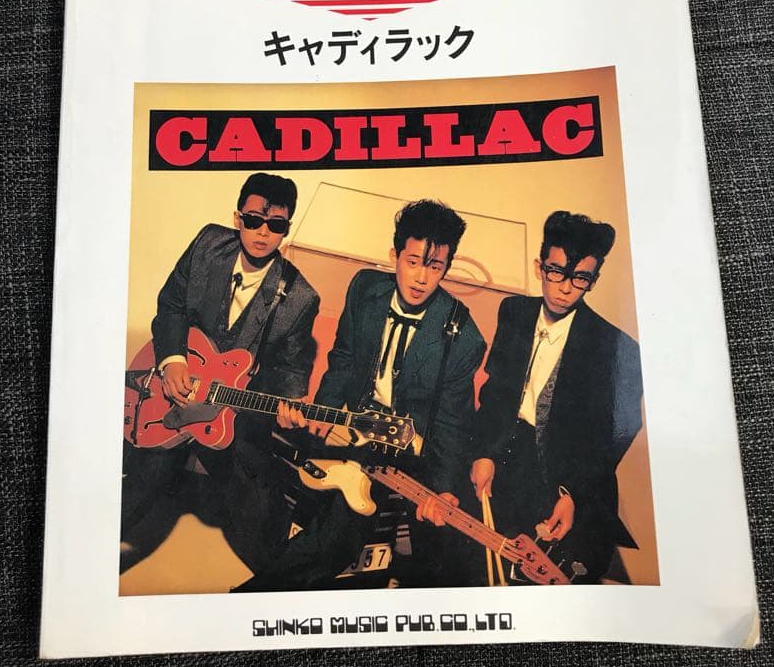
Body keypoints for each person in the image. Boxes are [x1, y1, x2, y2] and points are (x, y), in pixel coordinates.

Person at [240, 198, 487, 591]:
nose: (421, 278)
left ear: (447, 267)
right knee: (260, 459)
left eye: (435, 266)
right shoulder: (365, 288)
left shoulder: (464, 337)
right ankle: (257, 594)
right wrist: (324, 410)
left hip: (411, 452)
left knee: (359, 538)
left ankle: (255, 596)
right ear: (394, 255)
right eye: (412, 262)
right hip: (352, 428)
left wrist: (442, 489)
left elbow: (452, 426)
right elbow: (343, 359)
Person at [121, 172, 320, 573]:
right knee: (143, 486)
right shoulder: (207, 244)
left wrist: (290, 403)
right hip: (170, 394)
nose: (262, 233)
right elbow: (172, 305)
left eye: (276, 225)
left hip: (233, 414)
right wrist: (173, 360)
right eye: (254, 220)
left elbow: (290, 368)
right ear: (237, 218)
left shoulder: (300, 297)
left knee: (260, 528)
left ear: (287, 229)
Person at [470, 210, 643, 583]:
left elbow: (619, 432)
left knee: (557, 580)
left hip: (570, 472)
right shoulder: (514, 312)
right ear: (540, 267)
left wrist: (574, 494)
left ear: (593, 281)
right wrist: (485, 452)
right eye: (556, 272)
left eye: (580, 278)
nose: (565, 287)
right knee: (486, 564)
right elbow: (495, 393)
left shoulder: (617, 347)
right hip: (510, 456)